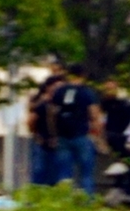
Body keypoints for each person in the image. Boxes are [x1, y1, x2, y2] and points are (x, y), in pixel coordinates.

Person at [43, 64, 101, 196]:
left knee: (64, 173)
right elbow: (94, 115)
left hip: (63, 136)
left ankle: (64, 201)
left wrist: (54, 133)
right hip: (82, 135)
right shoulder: (87, 92)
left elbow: (51, 113)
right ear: (83, 75)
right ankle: (87, 201)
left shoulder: (59, 91)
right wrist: (97, 137)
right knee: (86, 173)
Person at [25, 70, 66, 187]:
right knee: (39, 171)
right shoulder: (43, 103)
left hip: (58, 143)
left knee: (56, 174)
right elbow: (31, 121)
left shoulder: (63, 104)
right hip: (42, 142)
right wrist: (37, 134)